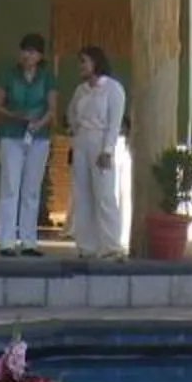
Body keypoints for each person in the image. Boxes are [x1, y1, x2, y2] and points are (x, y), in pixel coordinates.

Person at [0, 34, 55, 256]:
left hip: (38, 137)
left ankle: (29, 241)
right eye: (24, 51)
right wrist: (16, 115)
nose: (27, 55)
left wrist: (39, 123)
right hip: (11, 134)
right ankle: (6, 241)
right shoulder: (9, 75)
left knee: (32, 189)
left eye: (32, 51)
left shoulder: (47, 77)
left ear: (40, 55)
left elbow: (52, 108)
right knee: (10, 187)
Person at [67, 46, 128, 260]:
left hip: (101, 141)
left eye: (84, 61)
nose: (81, 66)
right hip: (82, 140)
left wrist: (107, 150)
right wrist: (76, 135)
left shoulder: (113, 89)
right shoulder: (80, 90)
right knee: (82, 194)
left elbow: (114, 123)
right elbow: (72, 114)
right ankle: (87, 245)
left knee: (103, 194)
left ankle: (111, 244)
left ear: (96, 62)